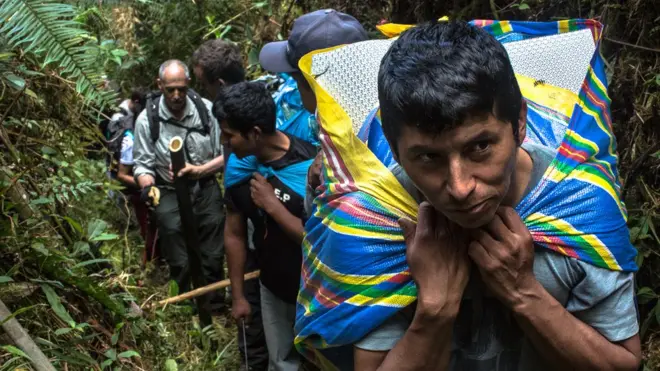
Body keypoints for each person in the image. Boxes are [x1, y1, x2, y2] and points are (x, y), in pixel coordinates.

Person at [351, 21, 641, 370]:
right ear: (394, 149)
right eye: (428, 157)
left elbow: (625, 363)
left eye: (480, 147)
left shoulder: (580, 205)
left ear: (519, 122)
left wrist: (523, 292)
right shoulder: (378, 222)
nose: (460, 188)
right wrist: (435, 310)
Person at [218, 81, 316, 371]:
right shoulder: (240, 171)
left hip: (315, 289)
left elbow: (320, 242)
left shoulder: (311, 164)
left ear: (255, 133)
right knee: (281, 363)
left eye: (229, 135)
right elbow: (234, 235)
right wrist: (238, 297)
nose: (224, 143)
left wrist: (272, 205)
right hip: (272, 288)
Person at [191, 39, 269, 371]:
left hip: (259, 233)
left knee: (255, 311)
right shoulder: (265, 101)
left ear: (219, 84)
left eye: (203, 84)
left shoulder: (242, 120)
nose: (202, 91)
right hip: (271, 233)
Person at [132, 59, 226, 313]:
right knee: (175, 241)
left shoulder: (205, 111)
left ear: (189, 85)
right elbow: (142, 165)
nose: (176, 96)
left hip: (204, 186)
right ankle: (186, 305)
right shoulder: (147, 120)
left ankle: (215, 306)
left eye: (181, 89)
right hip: (168, 189)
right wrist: (148, 186)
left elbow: (226, 154)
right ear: (159, 85)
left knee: (213, 246)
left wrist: (200, 170)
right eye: (170, 89)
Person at [105, 88, 159, 265]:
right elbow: (122, 175)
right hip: (138, 188)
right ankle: (149, 265)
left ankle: (151, 262)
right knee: (147, 228)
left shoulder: (136, 124)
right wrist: (146, 184)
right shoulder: (129, 135)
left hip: (141, 186)